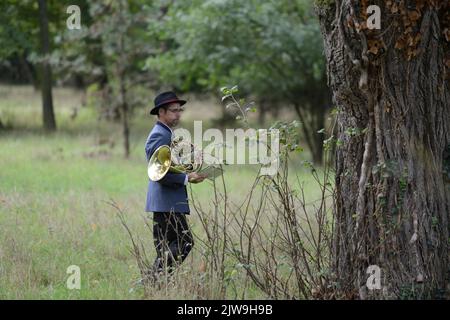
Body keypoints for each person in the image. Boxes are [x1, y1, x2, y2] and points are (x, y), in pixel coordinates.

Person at [144, 91, 207, 284]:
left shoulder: (167, 134)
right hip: (166, 201)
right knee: (184, 242)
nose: (178, 114)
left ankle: (156, 286)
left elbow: (171, 165)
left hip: (166, 201)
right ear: (161, 112)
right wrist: (187, 178)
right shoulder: (159, 135)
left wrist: (190, 162)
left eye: (180, 110)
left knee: (166, 247)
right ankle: (152, 281)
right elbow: (159, 174)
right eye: (173, 111)